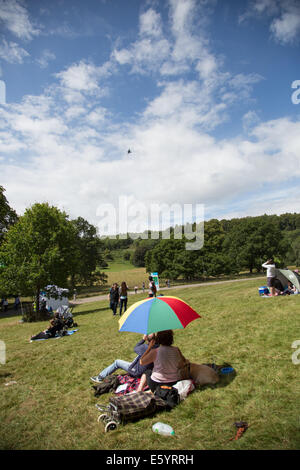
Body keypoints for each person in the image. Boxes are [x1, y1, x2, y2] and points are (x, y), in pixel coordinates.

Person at [90, 334, 157, 386]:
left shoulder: (144, 347)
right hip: (145, 372)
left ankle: (100, 377)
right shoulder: (158, 348)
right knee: (138, 357)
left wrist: (142, 339)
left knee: (117, 362)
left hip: (136, 371)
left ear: (147, 340)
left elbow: (135, 348)